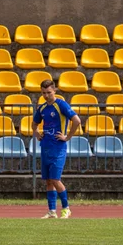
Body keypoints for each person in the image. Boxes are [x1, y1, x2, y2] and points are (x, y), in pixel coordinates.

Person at [33, 78, 81, 219]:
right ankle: (52, 211)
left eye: (48, 92)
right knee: (48, 180)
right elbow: (34, 124)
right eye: (43, 93)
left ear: (54, 91)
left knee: (55, 179)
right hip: (45, 146)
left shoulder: (61, 105)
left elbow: (77, 121)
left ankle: (66, 208)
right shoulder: (42, 108)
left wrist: (67, 137)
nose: (46, 95)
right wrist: (37, 133)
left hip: (58, 147)